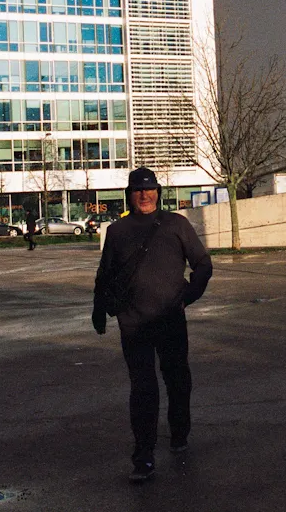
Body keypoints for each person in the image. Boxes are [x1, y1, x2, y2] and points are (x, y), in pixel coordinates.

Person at [92, 167, 213, 483]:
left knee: (177, 380)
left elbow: (203, 264)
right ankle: (143, 457)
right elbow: (104, 275)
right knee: (143, 389)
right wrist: (99, 310)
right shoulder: (117, 231)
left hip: (170, 318)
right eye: (138, 190)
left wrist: (189, 294)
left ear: (158, 193)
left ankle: (179, 432)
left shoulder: (176, 224)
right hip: (133, 323)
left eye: (150, 190)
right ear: (129, 195)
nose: (144, 195)